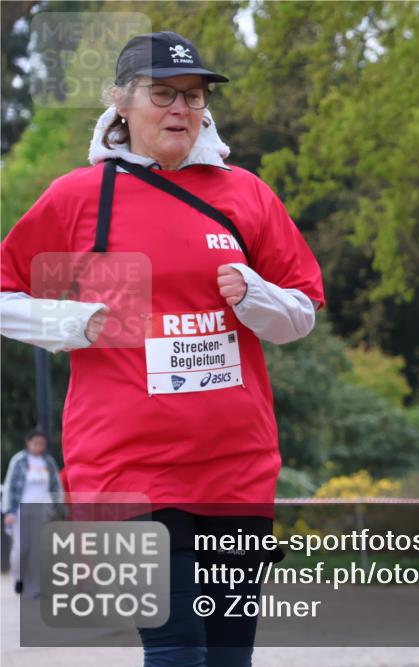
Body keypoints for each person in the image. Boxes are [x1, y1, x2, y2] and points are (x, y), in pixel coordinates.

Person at [0, 31, 324, 666]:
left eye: (194, 95)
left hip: (235, 466)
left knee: (230, 656)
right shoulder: (77, 198)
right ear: (122, 102)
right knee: (175, 648)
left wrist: (256, 297)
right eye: (163, 93)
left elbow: (302, 310)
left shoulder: (245, 194)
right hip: (123, 471)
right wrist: (69, 321)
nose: (181, 108)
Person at [1, 429, 64, 598]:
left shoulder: (48, 462)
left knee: (38, 550)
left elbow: (56, 487)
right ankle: (19, 577)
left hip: (42, 510)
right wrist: (8, 511)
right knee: (22, 548)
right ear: (28, 443)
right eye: (35, 443)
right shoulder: (19, 461)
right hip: (21, 510)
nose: (38, 446)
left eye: (42, 444)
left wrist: (58, 507)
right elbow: (10, 487)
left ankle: (35, 588)